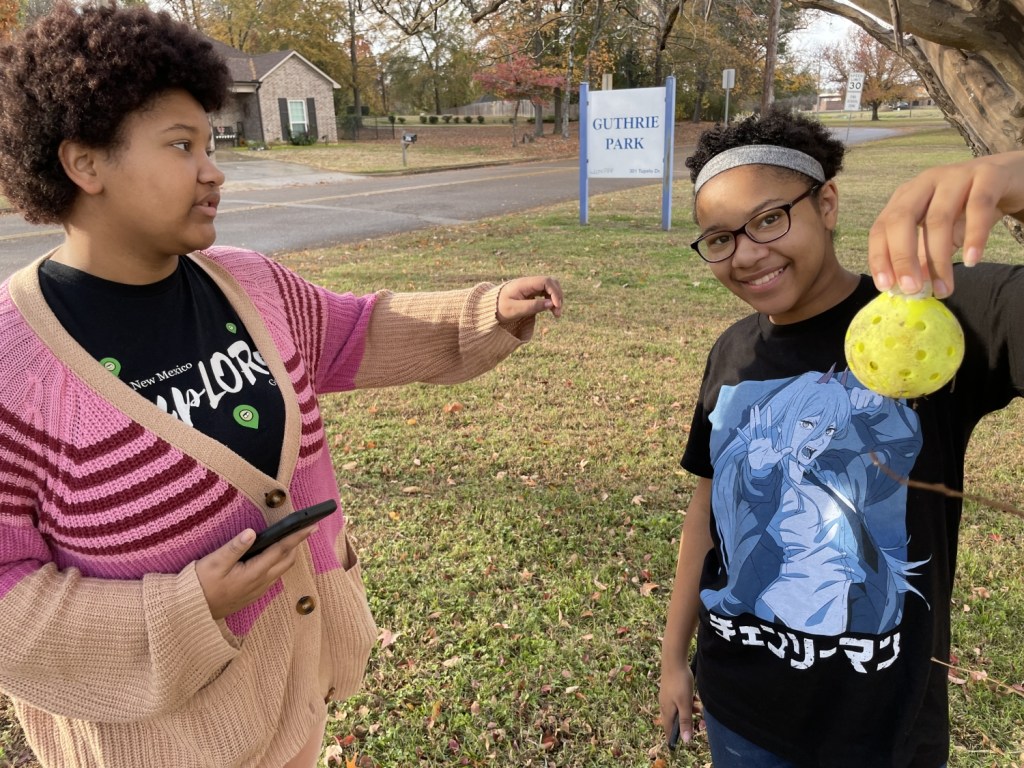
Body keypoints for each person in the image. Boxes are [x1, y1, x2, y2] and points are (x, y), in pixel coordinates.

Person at [0, 4, 563, 767]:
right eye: (180, 145)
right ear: (85, 163)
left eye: (209, 143)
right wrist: (185, 609)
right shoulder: (15, 365)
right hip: (160, 745)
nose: (213, 170)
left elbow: (355, 332)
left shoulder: (248, 283)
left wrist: (484, 311)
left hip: (293, 704)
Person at [658, 107, 1024, 767]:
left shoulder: (937, 317)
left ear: (826, 203)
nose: (746, 254)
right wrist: (673, 660)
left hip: (879, 733)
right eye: (719, 238)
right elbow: (708, 509)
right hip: (739, 709)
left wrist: (1016, 178)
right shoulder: (733, 352)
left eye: (769, 219)